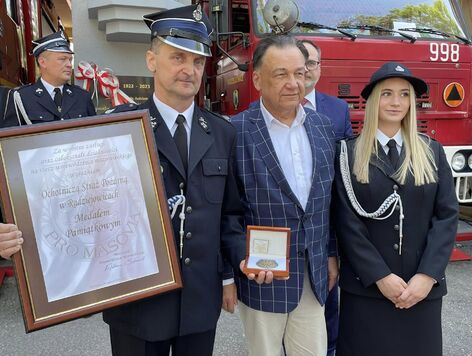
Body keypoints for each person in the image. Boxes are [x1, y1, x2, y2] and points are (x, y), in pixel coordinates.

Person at [101, 5, 273, 356]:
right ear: (151, 60)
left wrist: (243, 257)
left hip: (198, 304)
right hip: (138, 303)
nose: (189, 70)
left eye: (197, 62)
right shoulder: (118, 128)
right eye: (177, 57)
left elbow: (230, 214)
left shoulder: (222, 133)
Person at [333, 62, 458, 356]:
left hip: (421, 292)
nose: (396, 102)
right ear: (374, 99)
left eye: (404, 95)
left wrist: (427, 276)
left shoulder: (431, 151)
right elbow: (346, 222)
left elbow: (447, 216)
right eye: (387, 93)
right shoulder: (347, 153)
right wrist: (380, 276)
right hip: (367, 291)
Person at [231, 35, 336, 356]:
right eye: (281, 74)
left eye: (300, 73)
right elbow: (227, 210)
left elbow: (329, 203)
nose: (294, 83)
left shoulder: (323, 127)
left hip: (314, 273)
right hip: (262, 276)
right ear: (258, 79)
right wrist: (239, 259)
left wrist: (331, 252)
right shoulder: (235, 132)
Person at [301, 39, 352, 356]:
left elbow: (343, 177)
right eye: (301, 60)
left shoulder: (338, 110)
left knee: (328, 308)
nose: (306, 68)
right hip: (282, 233)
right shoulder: (259, 112)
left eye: (313, 62)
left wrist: (335, 245)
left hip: (325, 229)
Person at [1, 31, 95, 127]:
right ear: (42, 62)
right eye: (62, 59)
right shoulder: (21, 97)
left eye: (70, 60)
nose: (69, 65)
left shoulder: (82, 97)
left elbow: (95, 135)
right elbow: (11, 139)